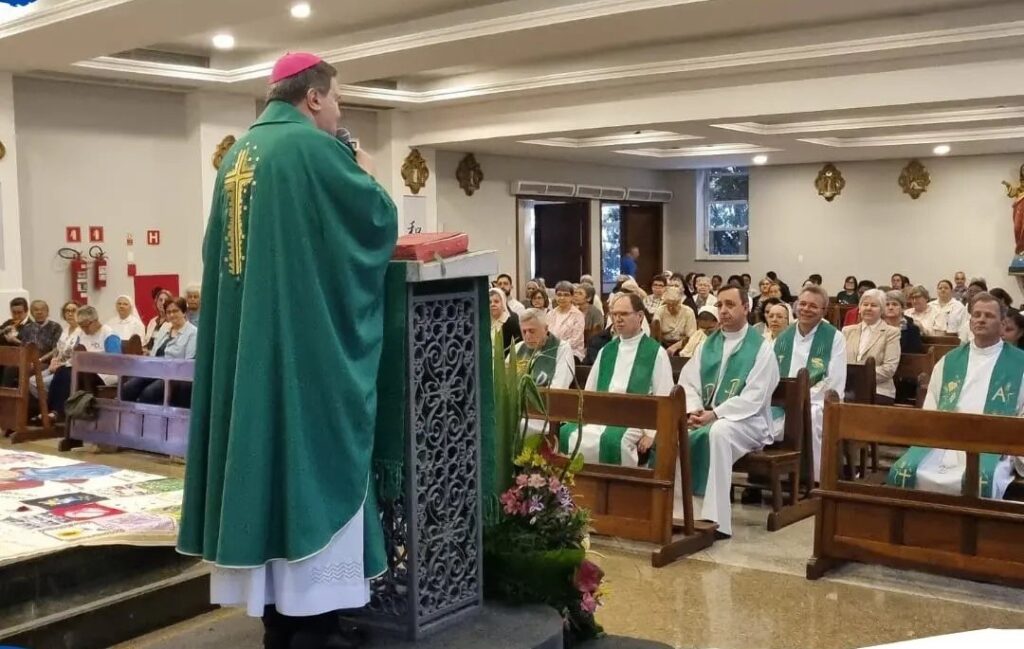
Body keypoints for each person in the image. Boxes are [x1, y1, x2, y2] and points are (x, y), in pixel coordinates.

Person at [177, 52, 398, 649]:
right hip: (304, 356)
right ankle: (316, 628)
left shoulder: (237, 157)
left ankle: (279, 623)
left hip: (251, 350)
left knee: (265, 468)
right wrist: (369, 173)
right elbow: (375, 225)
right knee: (309, 464)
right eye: (340, 100)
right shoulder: (314, 150)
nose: (341, 111)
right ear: (316, 97)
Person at [887, 293, 1024, 500]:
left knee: (983, 479)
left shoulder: (1019, 363)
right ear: (969, 321)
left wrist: (1011, 447)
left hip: (993, 445)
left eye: (988, 315)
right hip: (945, 439)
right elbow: (932, 405)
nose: (981, 319)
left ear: (1003, 323)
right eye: (976, 315)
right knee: (903, 471)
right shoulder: (950, 360)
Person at [678, 285, 780, 538]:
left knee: (720, 432)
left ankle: (716, 519)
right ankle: (681, 513)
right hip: (706, 416)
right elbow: (688, 381)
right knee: (676, 430)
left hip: (749, 422)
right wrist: (694, 409)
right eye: (720, 305)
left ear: (746, 308)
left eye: (730, 305)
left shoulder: (761, 348)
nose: (723, 311)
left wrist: (716, 413)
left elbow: (755, 397)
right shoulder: (707, 345)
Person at [558, 293, 672, 466]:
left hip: (636, 419)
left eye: (624, 314)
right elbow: (590, 390)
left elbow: (664, 397)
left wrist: (650, 434)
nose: (618, 319)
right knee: (567, 432)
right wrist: (585, 414)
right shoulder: (607, 350)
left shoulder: (656, 352)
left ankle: (621, 491)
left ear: (640, 316)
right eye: (614, 314)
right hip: (602, 413)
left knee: (613, 441)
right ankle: (578, 490)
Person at [773, 285, 846, 482]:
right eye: (802, 304)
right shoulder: (783, 336)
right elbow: (770, 373)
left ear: (824, 311)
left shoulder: (834, 337)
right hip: (780, 401)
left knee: (810, 417)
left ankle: (813, 479)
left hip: (818, 401)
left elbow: (835, 380)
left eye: (813, 306)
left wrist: (800, 399)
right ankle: (766, 476)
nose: (806, 309)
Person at [46, 306, 120, 421]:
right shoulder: (82, 334)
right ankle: (52, 410)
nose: (84, 329)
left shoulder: (109, 335)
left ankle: (61, 413)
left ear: (95, 321)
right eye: (81, 326)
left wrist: (93, 360)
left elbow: (115, 361)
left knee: (70, 375)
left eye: (86, 325)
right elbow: (76, 353)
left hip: (103, 374)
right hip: (84, 369)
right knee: (61, 372)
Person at [122, 297, 197, 406]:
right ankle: (131, 419)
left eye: (175, 311)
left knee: (148, 393)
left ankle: (148, 421)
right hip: (155, 369)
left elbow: (188, 361)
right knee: (128, 388)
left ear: (184, 312)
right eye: (168, 312)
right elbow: (154, 352)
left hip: (174, 375)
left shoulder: (193, 332)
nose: (171, 315)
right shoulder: (165, 328)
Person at [842, 289, 901, 405]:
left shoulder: (891, 333)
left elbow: (889, 368)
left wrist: (859, 378)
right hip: (847, 388)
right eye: (865, 304)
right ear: (860, 308)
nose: (868, 308)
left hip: (879, 389)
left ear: (882, 310)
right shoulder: (847, 331)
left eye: (874, 305)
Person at [513, 308, 574, 390]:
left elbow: (559, 387)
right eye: (524, 332)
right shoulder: (518, 348)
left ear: (545, 329)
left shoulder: (562, 348)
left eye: (532, 331)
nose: (527, 336)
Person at [548, 281, 585, 361]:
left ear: (572, 297)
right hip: (551, 352)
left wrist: (557, 349)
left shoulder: (578, 315)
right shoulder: (550, 314)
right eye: (559, 295)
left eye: (566, 295)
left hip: (572, 353)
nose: (562, 298)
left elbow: (575, 340)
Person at [655, 287, 697, 354]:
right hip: (663, 345)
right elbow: (655, 335)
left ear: (680, 302)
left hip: (683, 346)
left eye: (674, 304)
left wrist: (675, 347)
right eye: (668, 304)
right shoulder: (660, 311)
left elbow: (691, 336)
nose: (671, 308)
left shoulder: (688, 312)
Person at [489, 288, 522, 354]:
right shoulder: (485, 321)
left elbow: (518, 344)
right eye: (490, 302)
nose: (492, 304)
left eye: (496, 301)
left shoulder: (511, 320)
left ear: (503, 303)